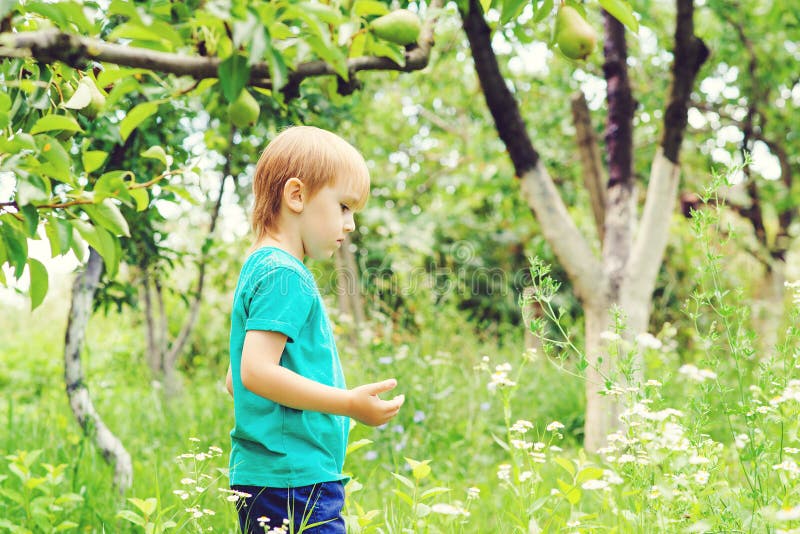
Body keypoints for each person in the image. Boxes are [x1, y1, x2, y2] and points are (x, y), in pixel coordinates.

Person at [224, 125, 405, 534]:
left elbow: (236, 378)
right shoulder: (287, 276)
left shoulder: (259, 267)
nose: (351, 224)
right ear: (297, 196)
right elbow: (254, 374)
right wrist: (348, 404)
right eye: (343, 207)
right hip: (296, 480)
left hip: (266, 476)